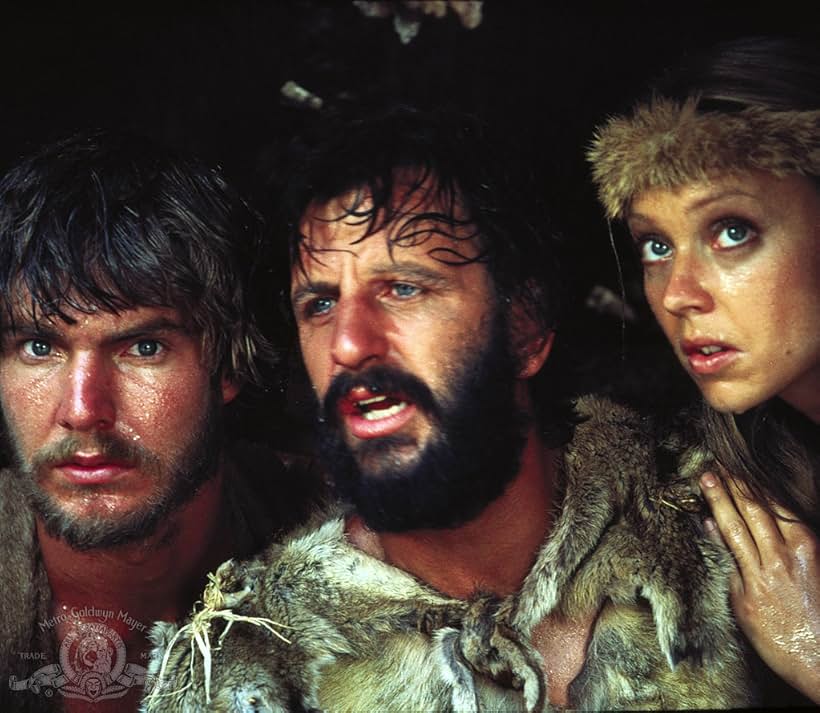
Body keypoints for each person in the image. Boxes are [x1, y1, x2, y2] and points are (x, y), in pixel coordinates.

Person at [145, 106, 756, 711]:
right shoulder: (243, 676)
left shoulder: (732, 541)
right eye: (321, 304)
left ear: (525, 329)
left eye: (403, 288)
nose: (348, 344)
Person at [0, 130, 320, 713]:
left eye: (143, 348)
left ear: (229, 363)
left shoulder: (345, 546)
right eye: (39, 347)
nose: (82, 410)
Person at [588, 36, 819, 705]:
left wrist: (811, 651)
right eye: (656, 246)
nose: (678, 294)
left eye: (731, 231)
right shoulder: (726, 477)